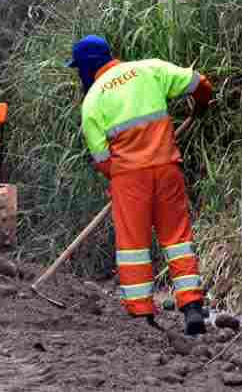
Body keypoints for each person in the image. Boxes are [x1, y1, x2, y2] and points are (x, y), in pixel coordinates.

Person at [67, 35, 214, 335]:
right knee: (177, 238)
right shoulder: (150, 69)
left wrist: (123, 177)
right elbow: (201, 84)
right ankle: (192, 307)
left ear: (85, 67)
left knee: (133, 245)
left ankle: (142, 315)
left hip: (128, 179)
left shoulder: (93, 99)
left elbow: (102, 160)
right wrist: (200, 106)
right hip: (167, 167)